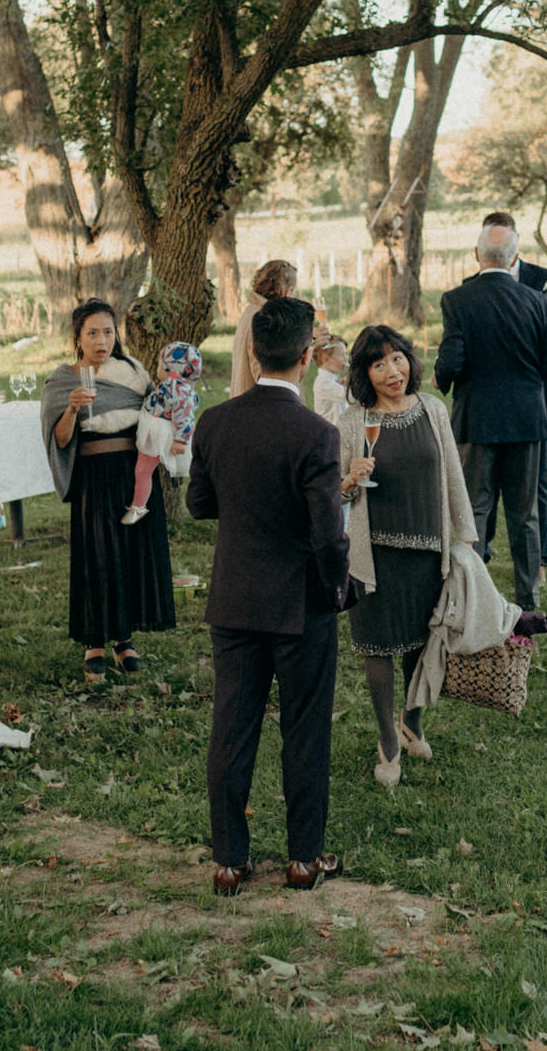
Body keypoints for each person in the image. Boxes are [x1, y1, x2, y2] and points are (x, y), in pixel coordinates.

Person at [187, 297, 349, 896]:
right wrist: (337, 586)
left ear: (253, 352)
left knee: (231, 727)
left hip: (234, 596)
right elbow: (329, 535)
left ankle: (229, 861)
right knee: (305, 731)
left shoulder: (215, 422)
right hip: (300, 603)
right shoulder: (316, 433)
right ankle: (304, 859)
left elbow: (200, 505)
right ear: (307, 356)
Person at [335, 326, 477, 785]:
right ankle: (386, 739)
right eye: (378, 364)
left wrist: (467, 539)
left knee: (422, 642)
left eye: (397, 359)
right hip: (372, 557)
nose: (392, 371)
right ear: (364, 373)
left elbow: (453, 475)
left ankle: (412, 721)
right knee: (377, 646)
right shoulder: (354, 421)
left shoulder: (432, 409)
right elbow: (333, 493)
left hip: (427, 550)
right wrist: (350, 480)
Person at [41, 300, 176, 683]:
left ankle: (125, 641)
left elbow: (157, 411)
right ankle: (94, 644)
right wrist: (70, 409)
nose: (102, 340)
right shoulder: (63, 380)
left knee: (132, 553)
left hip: (133, 474)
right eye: (93, 333)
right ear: (77, 337)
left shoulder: (133, 371)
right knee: (99, 554)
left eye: (108, 332)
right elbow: (60, 440)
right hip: (94, 476)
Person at [434, 221, 547, 609]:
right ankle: (528, 601)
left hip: (477, 420)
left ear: (477, 256)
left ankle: (473, 600)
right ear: (515, 259)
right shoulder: (538, 302)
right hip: (527, 420)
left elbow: (451, 362)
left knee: (473, 511)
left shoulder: (456, 300)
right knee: (524, 517)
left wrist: (443, 376)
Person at [477, 212, 547, 586]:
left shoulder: (542, 281)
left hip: (533, 403)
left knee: (536, 483)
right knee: (485, 484)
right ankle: (483, 553)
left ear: (515, 245)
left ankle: (539, 560)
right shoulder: (473, 286)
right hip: (486, 407)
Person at [125, 342, 201, 526]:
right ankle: (138, 504)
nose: (157, 368)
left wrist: (180, 441)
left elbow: (186, 417)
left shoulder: (178, 390)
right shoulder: (172, 386)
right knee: (142, 470)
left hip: (161, 435)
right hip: (154, 431)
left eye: (160, 365)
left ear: (171, 370)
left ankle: (138, 506)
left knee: (142, 470)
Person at [230, 259, 298, 396]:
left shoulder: (251, 311)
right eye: (294, 291)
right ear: (287, 292)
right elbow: (267, 377)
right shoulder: (266, 319)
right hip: (257, 410)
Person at [311, 334, 349, 423]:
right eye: (342, 355)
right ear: (326, 359)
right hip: (330, 433)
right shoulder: (324, 382)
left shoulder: (333, 379)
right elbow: (350, 396)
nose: (346, 358)